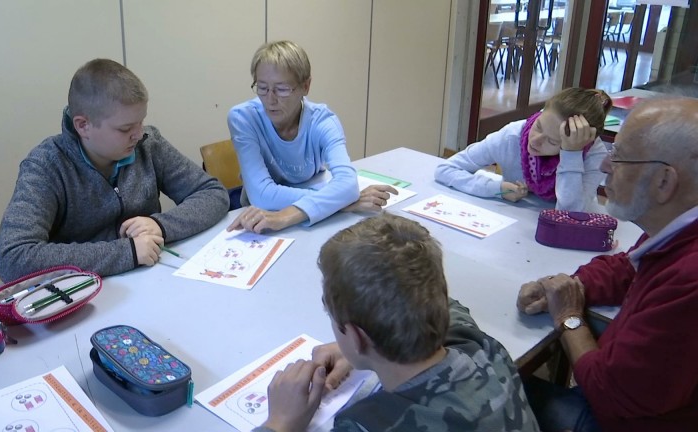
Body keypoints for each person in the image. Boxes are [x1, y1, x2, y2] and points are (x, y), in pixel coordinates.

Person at [253, 213, 539, 432]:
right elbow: (442, 303)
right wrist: (364, 344)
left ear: (356, 337)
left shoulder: (366, 423)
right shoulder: (483, 348)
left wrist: (279, 423)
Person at [517, 98, 698, 431]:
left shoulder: (690, 278)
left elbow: (608, 393)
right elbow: (628, 267)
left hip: (623, 419)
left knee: (480, 392)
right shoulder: (676, 228)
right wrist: (568, 285)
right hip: (627, 402)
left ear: (663, 182)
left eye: (620, 157)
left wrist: (568, 318)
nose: (605, 167)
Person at [0, 59, 229, 281]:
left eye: (141, 121)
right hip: (87, 296)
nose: (138, 134)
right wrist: (126, 252)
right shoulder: (47, 165)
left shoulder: (148, 143)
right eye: (126, 128)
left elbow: (213, 193)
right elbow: (13, 257)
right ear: (83, 125)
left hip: (152, 281)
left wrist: (160, 225)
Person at [227, 40, 396, 233]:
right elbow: (262, 195)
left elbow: (348, 185)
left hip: (308, 222)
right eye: (262, 88)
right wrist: (341, 202)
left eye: (282, 89)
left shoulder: (323, 122)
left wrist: (292, 213)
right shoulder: (243, 117)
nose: (270, 99)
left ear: (305, 86)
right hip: (258, 217)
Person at [435, 87, 612, 211]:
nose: (535, 140)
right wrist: (497, 188)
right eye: (539, 126)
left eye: (551, 141)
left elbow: (569, 213)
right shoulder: (513, 136)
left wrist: (571, 155)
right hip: (516, 223)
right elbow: (445, 169)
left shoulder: (593, 155)